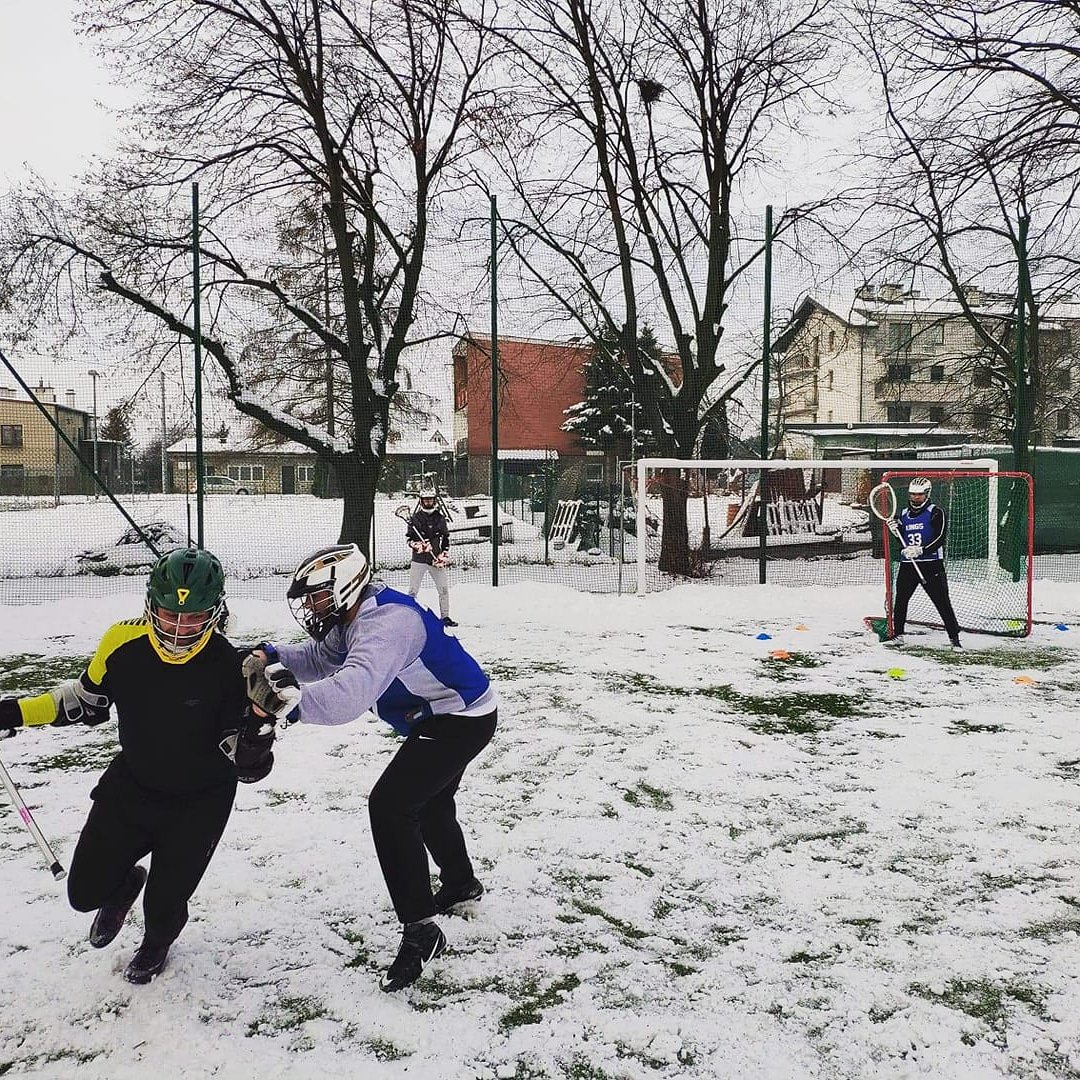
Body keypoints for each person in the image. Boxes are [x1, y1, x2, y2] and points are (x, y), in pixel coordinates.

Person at [0, 547, 294, 985]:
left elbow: (250, 769)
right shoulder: (121, 642)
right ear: (149, 604)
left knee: (163, 909)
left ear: (215, 612)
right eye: (169, 614)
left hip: (199, 802)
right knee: (83, 895)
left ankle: (157, 942)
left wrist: (259, 723)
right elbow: (84, 702)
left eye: (194, 617)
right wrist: (13, 714)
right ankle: (122, 888)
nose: (179, 629)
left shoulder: (231, 666)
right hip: (132, 787)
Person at [248, 543, 497, 992]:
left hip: (461, 717)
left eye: (316, 596)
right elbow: (322, 658)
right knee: (430, 803)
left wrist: (290, 704)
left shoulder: (386, 624)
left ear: (344, 587)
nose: (309, 605)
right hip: (453, 711)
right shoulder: (357, 614)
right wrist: (270, 655)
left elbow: (350, 693)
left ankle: (421, 930)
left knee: (391, 806)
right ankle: (461, 884)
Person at [886, 476, 962, 648]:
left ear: (927, 494)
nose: (915, 498)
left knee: (942, 602)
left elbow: (940, 538)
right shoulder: (904, 514)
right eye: (912, 494)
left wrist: (922, 549)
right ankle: (898, 636)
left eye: (919, 495)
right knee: (901, 600)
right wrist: (896, 531)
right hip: (909, 565)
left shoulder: (936, 512)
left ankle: (954, 639)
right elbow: (903, 540)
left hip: (931, 564)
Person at [406, 487, 456, 627]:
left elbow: (446, 538)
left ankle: (445, 617)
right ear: (421, 501)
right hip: (419, 560)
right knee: (413, 590)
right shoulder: (415, 518)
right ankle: (408, 617)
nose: (428, 502)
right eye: (425, 500)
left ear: (434, 501)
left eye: (430, 499)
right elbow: (409, 539)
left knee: (443, 589)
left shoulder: (440, 518)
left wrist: (443, 553)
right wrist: (418, 546)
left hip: (436, 560)